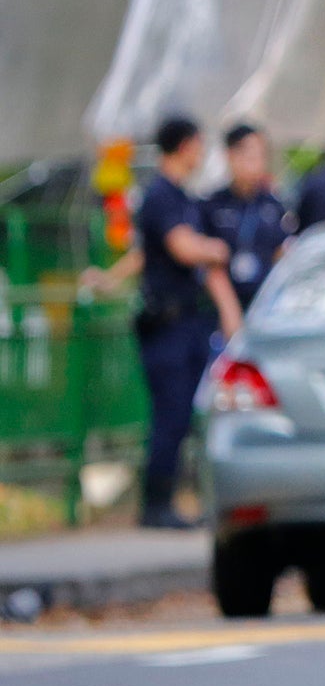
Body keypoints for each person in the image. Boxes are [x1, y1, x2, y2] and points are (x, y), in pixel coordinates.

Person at [106, 117, 243, 527]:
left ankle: (173, 499)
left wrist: (110, 278)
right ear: (185, 146)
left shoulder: (181, 197)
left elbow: (146, 253)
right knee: (171, 414)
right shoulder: (161, 195)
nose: (202, 153)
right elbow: (179, 248)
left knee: (185, 415)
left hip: (188, 322)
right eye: (199, 145)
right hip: (165, 326)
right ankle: (156, 506)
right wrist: (216, 248)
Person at [202, 123, 296, 312]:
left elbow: (282, 250)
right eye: (249, 156)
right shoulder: (212, 205)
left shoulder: (273, 204)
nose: (257, 164)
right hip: (221, 309)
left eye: (262, 156)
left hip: (265, 305)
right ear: (230, 156)